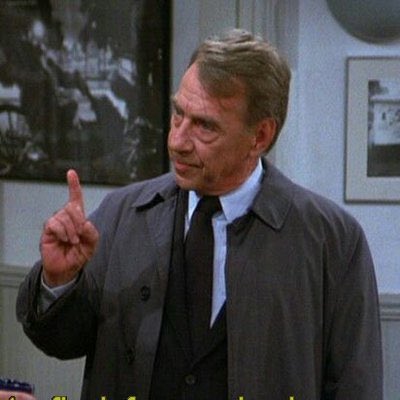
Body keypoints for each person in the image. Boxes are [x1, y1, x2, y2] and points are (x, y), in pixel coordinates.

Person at [16, 29, 382, 399]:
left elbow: (355, 386)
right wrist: (58, 280)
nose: (177, 141)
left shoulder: (332, 241)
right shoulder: (122, 214)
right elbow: (61, 341)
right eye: (179, 114)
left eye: (205, 125)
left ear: (260, 136)